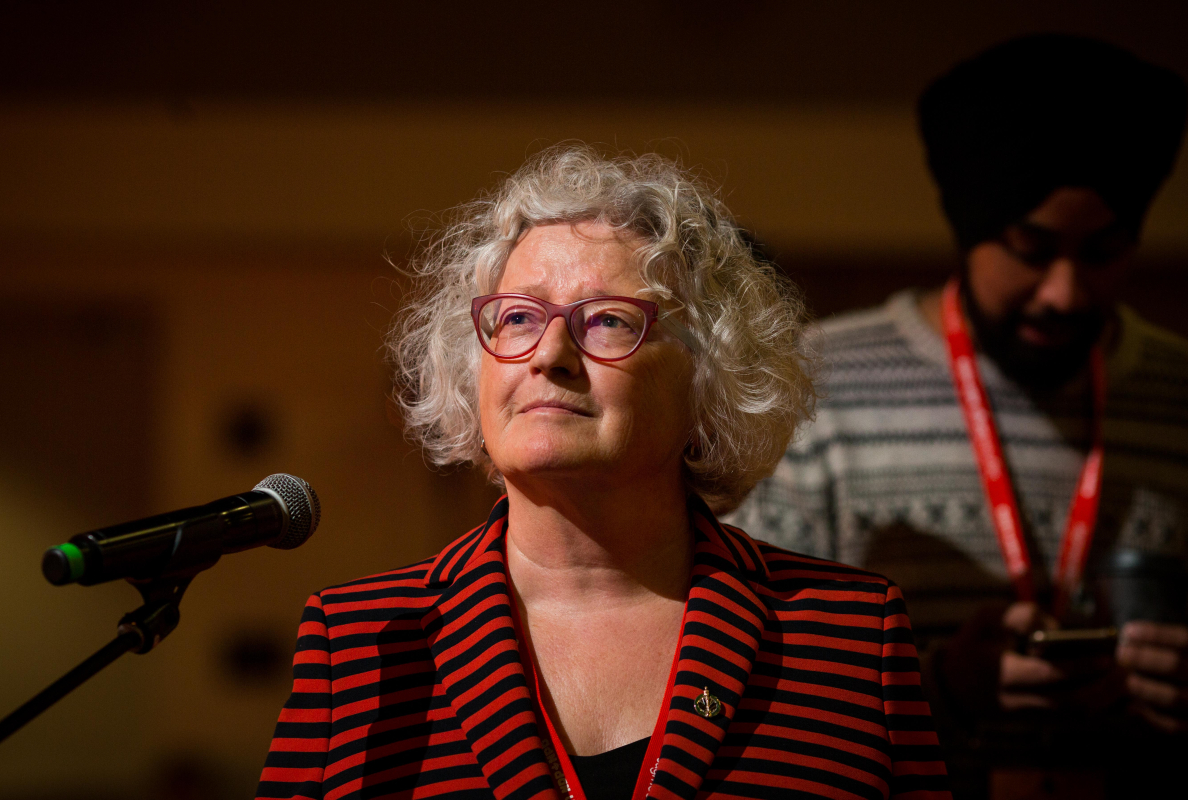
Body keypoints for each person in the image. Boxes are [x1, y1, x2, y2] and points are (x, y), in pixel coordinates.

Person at [255, 146, 950, 799]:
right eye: (518, 317)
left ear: (711, 380)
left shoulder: (850, 636)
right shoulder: (360, 641)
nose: (549, 353)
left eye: (609, 321)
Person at [729, 35, 1188, 798]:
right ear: (968, 230)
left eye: (1104, 252)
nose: (1065, 292)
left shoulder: (1179, 394)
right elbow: (745, 683)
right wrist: (936, 687)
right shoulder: (817, 386)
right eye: (1031, 249)